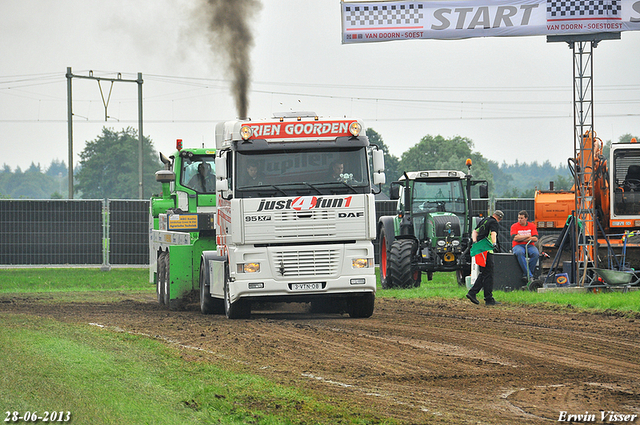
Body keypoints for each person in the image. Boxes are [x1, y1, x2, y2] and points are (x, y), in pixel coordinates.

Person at [467, 210, 504, 306]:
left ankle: (473, 293)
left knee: (484, 273)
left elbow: (475, 231)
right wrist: (494, 243)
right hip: (487, 250)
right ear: (499, 219)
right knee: (489, 274)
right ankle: (488, 299)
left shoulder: (484, 220)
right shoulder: (494, 222)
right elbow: (493, 233)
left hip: (479, 249)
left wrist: (475, 242)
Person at [510, 210, 539, 283]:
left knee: (535, 254)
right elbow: (515, 238)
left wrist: (521, 237)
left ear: (526, 218)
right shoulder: (514, 226)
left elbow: (535, 238)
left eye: (521, 218)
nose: (519, 220)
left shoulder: (532, 226)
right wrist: (527, 236)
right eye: (518, 218)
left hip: (530, 245)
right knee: (520, 253)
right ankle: (529, 275)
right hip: (517, 245)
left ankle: (527, 274)